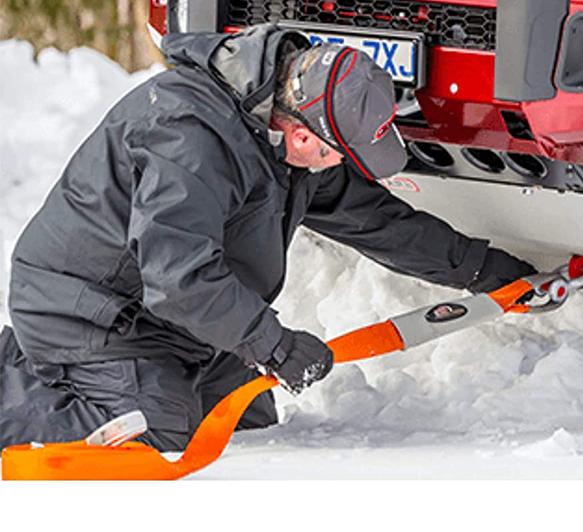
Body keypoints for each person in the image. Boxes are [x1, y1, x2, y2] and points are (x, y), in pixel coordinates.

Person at [0, 23, 535, 451]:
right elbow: (177, 277)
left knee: (248, 423)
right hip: (87, 312)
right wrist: (274, 346)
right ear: (304, 134)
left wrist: (480, 270)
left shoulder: (286, 137)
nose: (336, 169)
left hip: (160, 314)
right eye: (337, 157)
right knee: (160, 432)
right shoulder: (188, 139)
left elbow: (373, 218)